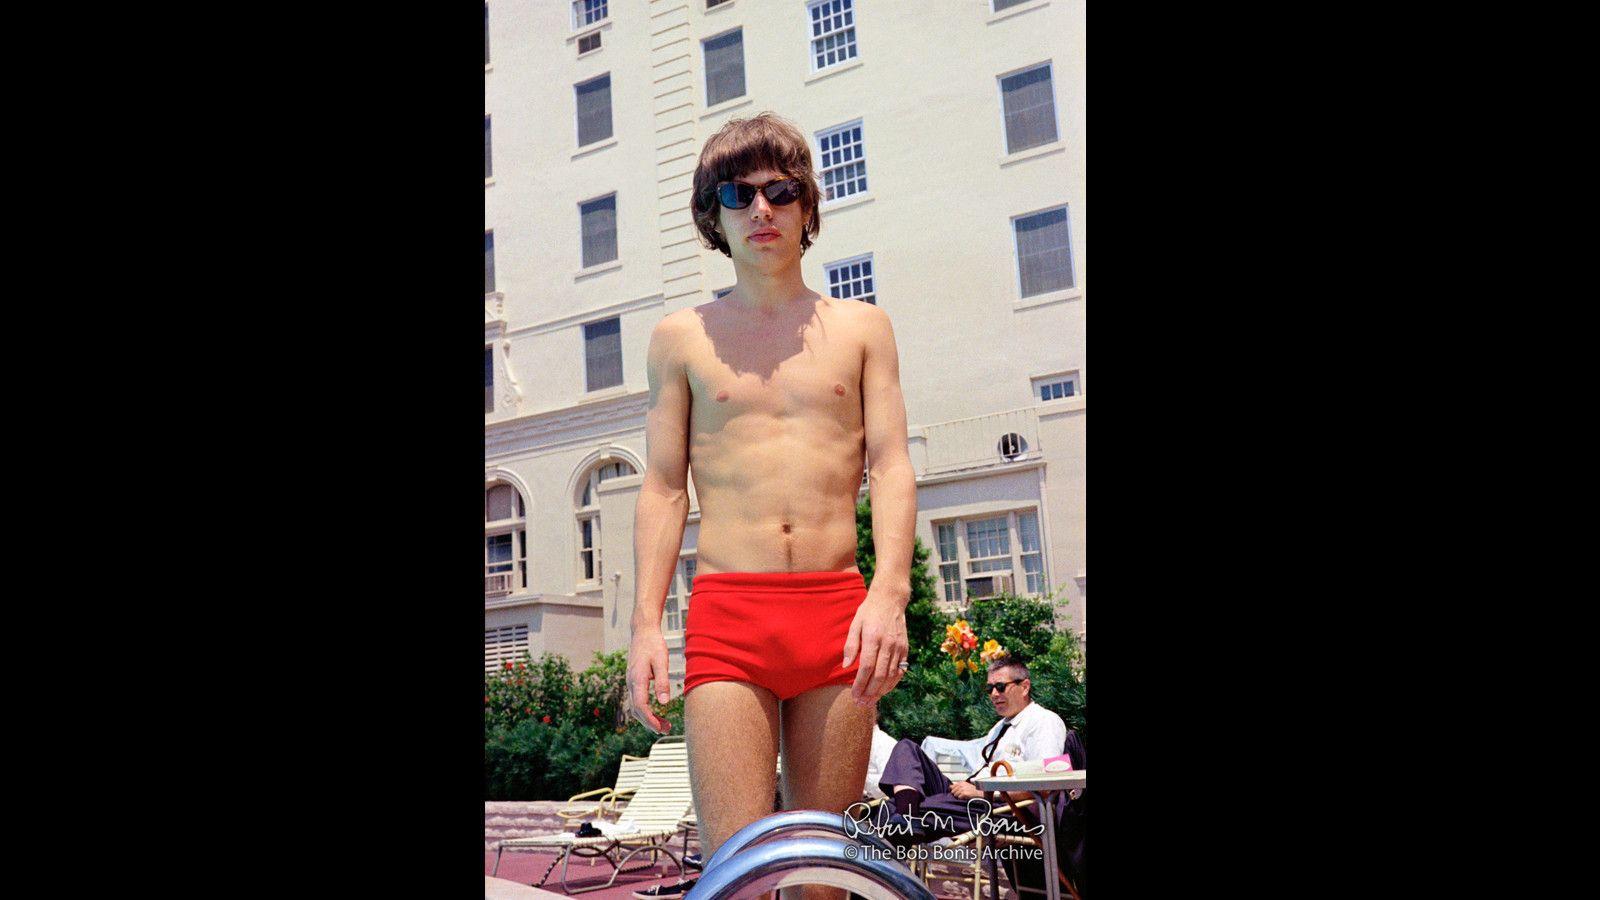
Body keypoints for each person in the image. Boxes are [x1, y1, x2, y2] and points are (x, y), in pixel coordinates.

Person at [626, 112, 916, 900]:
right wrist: (647, 625)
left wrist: (889, 594)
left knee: (824, 883)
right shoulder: (681, 338)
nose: (761, 208)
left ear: (806, 207)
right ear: (713, 215)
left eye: (781, 191)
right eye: (739, 193)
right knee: (737, 879)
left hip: (838, 617)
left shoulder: (863, 328)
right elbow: (663, 487)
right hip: (729, 619)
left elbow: (891, 465)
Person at [877, 658, 1068, 839]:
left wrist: (980, 793)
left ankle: (904, 818)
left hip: (1005, 809)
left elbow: (1046, 786)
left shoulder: (1043, 721)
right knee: (906, 747)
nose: (994, 694)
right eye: (990, 688)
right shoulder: (999, 728)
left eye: (1001, 687)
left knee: (889, 812)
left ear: (1024, 687)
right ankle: (905, 816)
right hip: (973, 799)